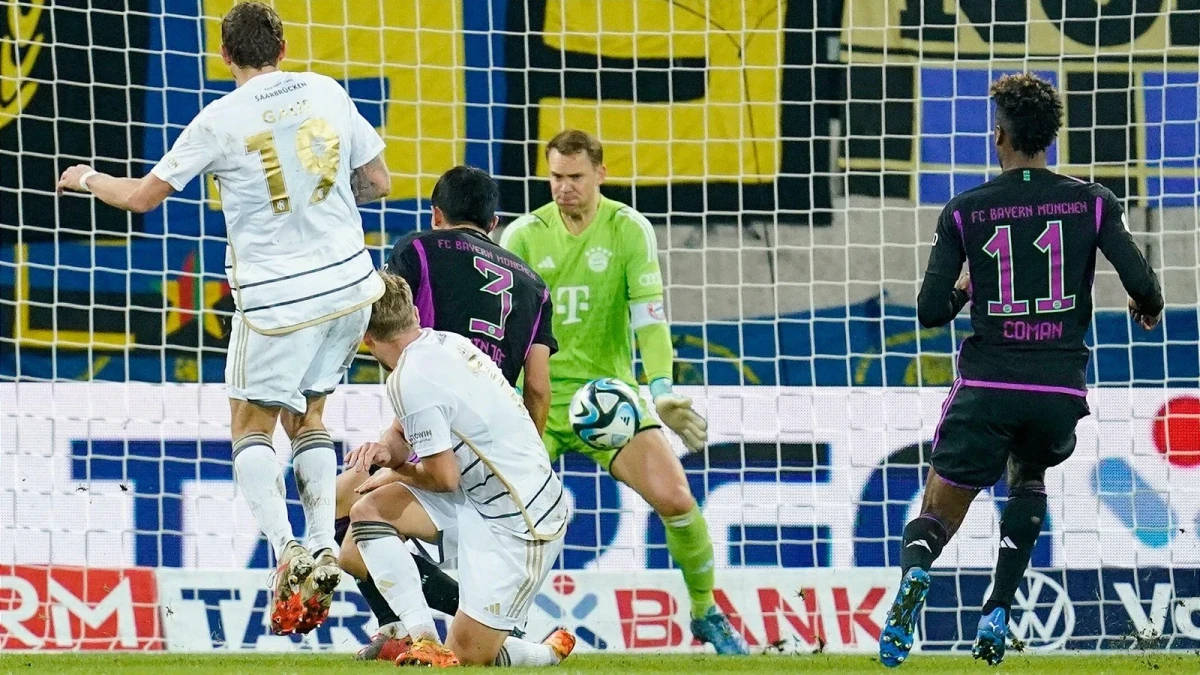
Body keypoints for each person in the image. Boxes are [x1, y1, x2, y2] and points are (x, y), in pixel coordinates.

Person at [56, 1, 392, 634]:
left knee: (250, 424)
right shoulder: (326, 90)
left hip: (278, 297)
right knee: (309, 414)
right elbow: (377, 178)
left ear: (226, 57)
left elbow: (141, 199)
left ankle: (288, 550)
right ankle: (324, 545)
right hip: (352, 284)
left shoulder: (220, 119)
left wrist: (85, 177)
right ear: (284, 47)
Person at [879, 73, 1164, 668]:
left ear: (1000, 134)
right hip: (1058, 388)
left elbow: (930, 312)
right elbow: (1141, 283)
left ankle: (916, 574)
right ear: (1051, 138)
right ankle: (998, 607)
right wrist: (1148, 303)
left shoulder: (967, 211)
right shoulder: (1091, 201)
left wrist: (964, 290)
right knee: (1029, 472)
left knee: (937, 508)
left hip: (989, 384)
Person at [499, 130, 747, 654]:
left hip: (609, 398)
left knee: (677, 498)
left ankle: (705, 612)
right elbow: (504, 331)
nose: (564, 188)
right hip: (536, 401)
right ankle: (492, 623)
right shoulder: (522, 235)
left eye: (575, 177)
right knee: (494, 513)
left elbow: (649, 319)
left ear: (601, 174)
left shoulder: (628, 228)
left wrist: (660, 388)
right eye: (556, 177)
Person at [333, 165, 556, 659]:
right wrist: (527, 451)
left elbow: (387, 312)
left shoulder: (419, 250)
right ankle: (414, 634)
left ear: (437, 214)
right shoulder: (535, 286)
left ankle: (413, 625)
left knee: (346, 511)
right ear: (494, 222)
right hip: (492, 435)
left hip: (443, 438)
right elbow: (538, 389)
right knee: (364, 516)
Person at [345, 274, 575, 667]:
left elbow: (443, 477)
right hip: (478, 495)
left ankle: (546, 654)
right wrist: (386, 450)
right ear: (414, 314)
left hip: (522, 519)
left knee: (468, 658)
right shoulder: (445, 342)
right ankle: (423, 639)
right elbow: (404, 430)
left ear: (364, 339)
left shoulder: (409, 379)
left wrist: (396, 473)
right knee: (367, 515)